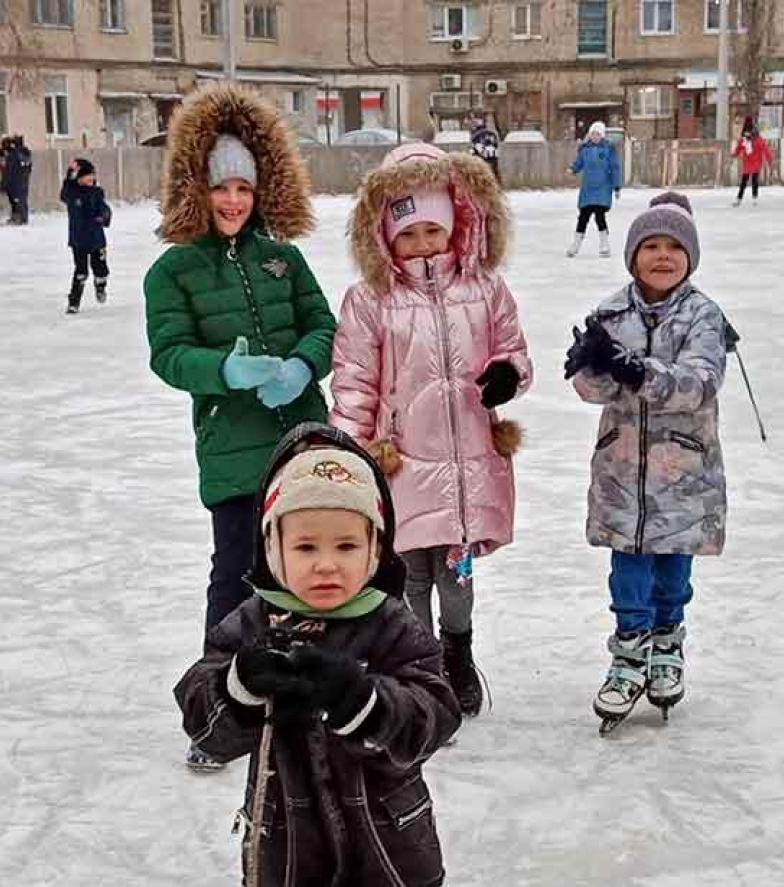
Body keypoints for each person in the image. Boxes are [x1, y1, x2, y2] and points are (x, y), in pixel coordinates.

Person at [174, 422, 461, 887]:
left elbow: (436, 714)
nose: (326, 564)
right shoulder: (251, 623)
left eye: (347, 545)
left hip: (389, 851)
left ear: (375, 549)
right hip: (287, 857)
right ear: (272, 548)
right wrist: (239, 683)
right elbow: (206, 728)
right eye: (305, 546)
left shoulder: (389, 622)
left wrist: (364, 702)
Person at [144, 82, 337, 770]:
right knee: (235, 577)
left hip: (304, 443)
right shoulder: (174, 270)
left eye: (245, 190)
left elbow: (323, 324)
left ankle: (310, 694)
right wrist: (221, 370)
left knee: (309, 570)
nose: (233, 202)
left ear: (262, 193)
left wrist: (300, 366)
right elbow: (167, 354)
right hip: (232, 451)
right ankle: (216, 710)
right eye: (221, 188)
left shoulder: (283, 257)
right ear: (197, 188)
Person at [329, 142, 533, 716]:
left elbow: (514, 352)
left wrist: (507, 376)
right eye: (408, 233)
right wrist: (347, 450)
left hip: (468, 460)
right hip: (402, 458)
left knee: (456, 572)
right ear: (386, 236)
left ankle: (458, 652)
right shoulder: (370, 299)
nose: (422, 245)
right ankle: (420, 665)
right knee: (410, 573)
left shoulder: (486, 290)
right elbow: (354, 381)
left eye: (433, 231)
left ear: (456, 226)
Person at [563, 192, 727, 730]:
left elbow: (698, 384)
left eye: (674, 247)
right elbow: (593, 390)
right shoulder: (610, 313)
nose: (662, 256)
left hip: (681, 472)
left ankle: (667, 645)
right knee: (628, 567)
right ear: (632, 257)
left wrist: (635, 370)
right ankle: (629, 651)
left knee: (673, 568)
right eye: (650, 246)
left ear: (690, 256)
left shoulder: (703, 317)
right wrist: (590, 366)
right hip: (622, 472)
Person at [60, 158, 112, 313]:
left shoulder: (97, 192)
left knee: (101, 270)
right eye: (87, 175)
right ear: (79, 177)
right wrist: (70, 172)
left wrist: (104, 216)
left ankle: (100, 286)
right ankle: (73, 303)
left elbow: (104, 208)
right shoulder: (71, 193)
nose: (91, 178)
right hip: (79, 240)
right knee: (81, 272)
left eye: (92, 175)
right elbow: (64, 191)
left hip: (97, 239)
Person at [566, 120, 622, 258]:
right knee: (583, 217)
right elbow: (579, 163)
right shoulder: (585, 149)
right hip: (588, 189)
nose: (595, 136)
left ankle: (604, 244)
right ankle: (575, 245)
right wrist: (572, 169)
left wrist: (617, 187)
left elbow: (615, 168)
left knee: (599, 216)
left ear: (602, 136)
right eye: (593, 134)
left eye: (597, 134)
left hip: (603, 189)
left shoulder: (608, 149)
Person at [731, 116, 772, 207]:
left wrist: (769, 158)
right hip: (747, 163)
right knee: (744, 182)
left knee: (754, 180)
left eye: (748, 133)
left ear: (752, 132)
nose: (746, 135)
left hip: (756, 162)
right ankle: (739, 199)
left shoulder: (758, 140)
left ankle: (754, 199)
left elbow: (765, 148)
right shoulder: (744, 140)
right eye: (745, 133)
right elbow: (738, 148)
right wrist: (734, 154)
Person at [5, 135, 32, 224]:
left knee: (21, 199)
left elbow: (24, 167)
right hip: (14, 181)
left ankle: (22, 218)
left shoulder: (22, 152)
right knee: (15, 200)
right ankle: (16, 217)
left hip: (20, 181)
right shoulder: (13, 153)